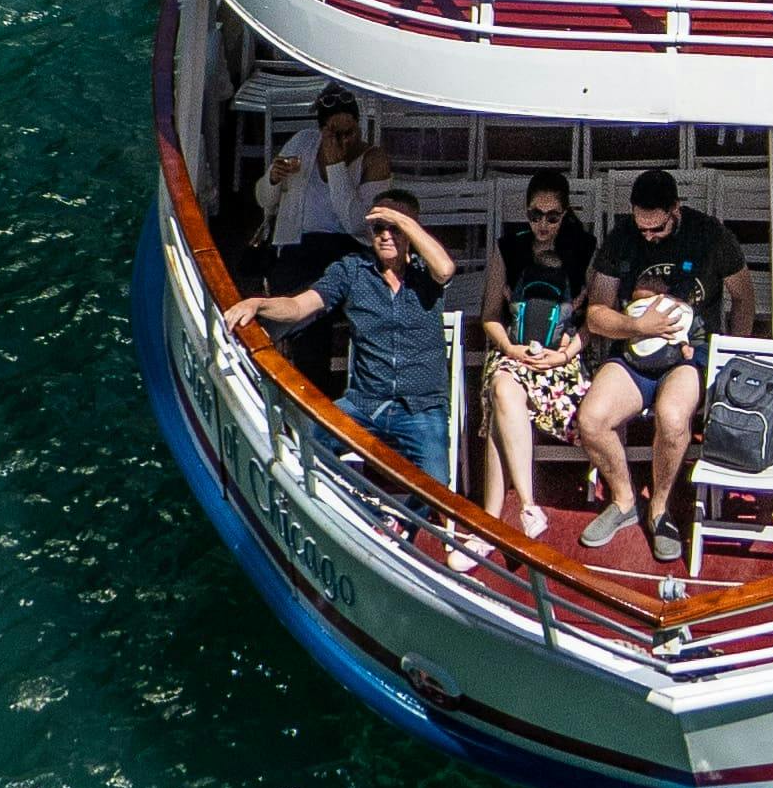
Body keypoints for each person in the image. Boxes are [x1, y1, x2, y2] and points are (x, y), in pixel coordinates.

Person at [232, 185, 462, 485]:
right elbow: (300, 306)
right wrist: (258, 303)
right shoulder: (353, 271)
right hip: (366, 403)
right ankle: (345, 509)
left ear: (412, 231)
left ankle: (400, 526)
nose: (385, 235)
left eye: (395, 228)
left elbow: (445, 269)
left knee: (437, 486)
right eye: (379, 227)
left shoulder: (425, 271)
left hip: (420, 405)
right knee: (309, 440)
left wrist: (402, 219)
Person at [579, 161, 737, 557]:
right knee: (592, 419)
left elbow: (745, 298)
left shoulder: (710, 236)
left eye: (658, 228)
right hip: (633, 352)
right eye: (642, 227)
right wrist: (640, 328)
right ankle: (624, 501)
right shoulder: (622, 238)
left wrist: (730, 353)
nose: (648, 236)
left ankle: (660, 507)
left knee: (671, 417)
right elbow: (596, 315)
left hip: (687, 355)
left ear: (676, 210)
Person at [475, 167, 603, 529]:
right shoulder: (510, 248)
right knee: (502, 386)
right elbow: (489, 316)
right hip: (514, 351)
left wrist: (563, 354)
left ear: (566, 213)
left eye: (552, 216)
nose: (543, 225)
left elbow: (594, 321)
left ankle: (490, 522)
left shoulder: (584, 250)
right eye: (535, 215)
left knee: (501, 400)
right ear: (525, 211)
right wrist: (511, 350)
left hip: (565, 358)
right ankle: (528, 505)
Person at [261, 88, 376, 284]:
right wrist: (273, 179)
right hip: (300, 244)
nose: (344, 140)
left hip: (347, 244)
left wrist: (336, 168)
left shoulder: (371, 159)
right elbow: (266, 201)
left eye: (350, 132)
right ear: (322, 131)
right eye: (335, 133)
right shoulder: (302, 143)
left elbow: (357, 225)